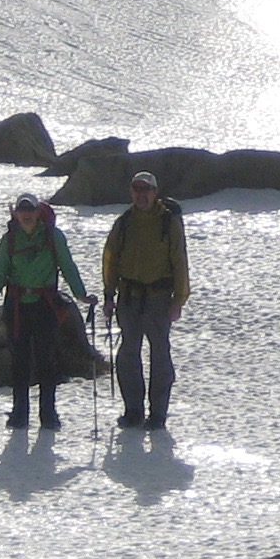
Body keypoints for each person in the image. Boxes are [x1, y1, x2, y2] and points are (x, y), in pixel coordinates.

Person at [0, 193, 89, 432]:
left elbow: (68, 266)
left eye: (30, 210)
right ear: (15, 213)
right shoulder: (10, 240)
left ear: (38, 212)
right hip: (17, 306)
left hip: (44, 305)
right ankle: (20, 414)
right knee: (20, 361)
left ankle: (48, 414)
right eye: (22, 210)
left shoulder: (53, 237)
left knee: (46, 358)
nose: (26, 215)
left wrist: (80, 294)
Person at [99, 167, 190, 429]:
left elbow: (179, 261)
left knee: (160, 354)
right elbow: (110, 259)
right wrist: (109, 293)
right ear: (131, 192)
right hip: (129, 297)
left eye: (146, 190)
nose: (141, 195)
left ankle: (158, 413)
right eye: (137, 189)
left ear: (155, 192)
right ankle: (133, 410)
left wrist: (179, 300)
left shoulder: (167, 221)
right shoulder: (124, 222)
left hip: (159, 298)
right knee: (128, 353)